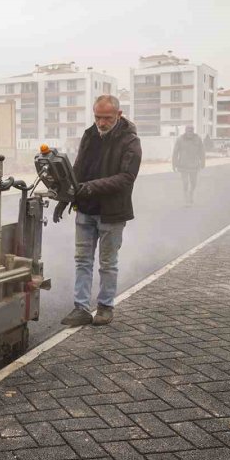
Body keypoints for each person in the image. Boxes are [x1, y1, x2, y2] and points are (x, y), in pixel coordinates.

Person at [53, 95, 142, 327]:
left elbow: (126, 177)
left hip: (112, 213)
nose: (101, 123)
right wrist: (66, 196)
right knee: (82, 260)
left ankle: (105, 307)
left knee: (107, 263)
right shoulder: (89, 135)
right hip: (85, 209)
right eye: (97, 117)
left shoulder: (130, 141)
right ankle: (81, 308)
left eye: (107, 118)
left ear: (119, 115)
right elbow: (78, 168)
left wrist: (90, 187)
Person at [172, 125, 206, 205]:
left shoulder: (198, 139)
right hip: (183, 165)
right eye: (188, 130)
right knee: (185, 183)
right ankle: (186, 199)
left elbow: (202, 151)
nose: (190, 132)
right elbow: (175, 152)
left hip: (194, 165)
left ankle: (191, 193)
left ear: (193, 131)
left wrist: (203, 162)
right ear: (185, 131)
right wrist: (174, 164)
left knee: (193, 183)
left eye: (191, 130)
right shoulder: (180, 139)